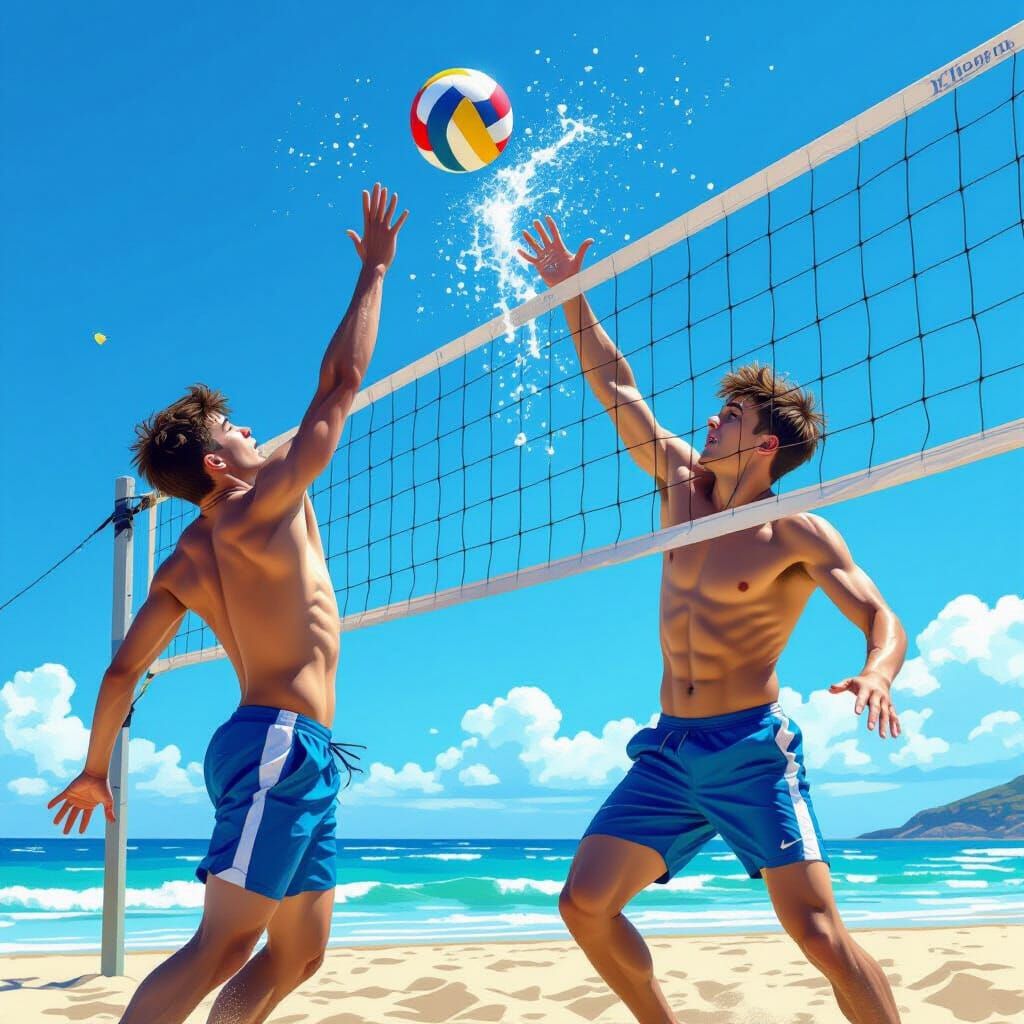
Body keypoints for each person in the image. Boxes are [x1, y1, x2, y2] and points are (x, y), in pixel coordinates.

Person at [519, 216, 907, 1024]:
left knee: (819, 935)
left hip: (749, 750)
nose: (710, 424)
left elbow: (879, 615)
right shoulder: (678, 487)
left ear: (763, 444)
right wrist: (572, 298)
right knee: (583, 904)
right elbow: (618, 388)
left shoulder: (793, 531)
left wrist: (877, 670)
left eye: (727, 417)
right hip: (669, 746)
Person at [46, 184, 408, 1024]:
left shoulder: (189, 553)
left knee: (299, 952)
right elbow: (341, 383)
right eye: (236, 428)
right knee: (222, 946)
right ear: (216, 466)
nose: (251, 430)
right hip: (277, 744)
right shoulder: (255, 509)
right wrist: (375, 271)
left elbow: (122, 669)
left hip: (291, 748)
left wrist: (98, 767)